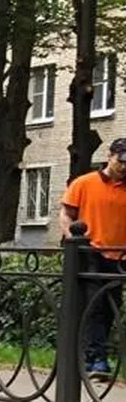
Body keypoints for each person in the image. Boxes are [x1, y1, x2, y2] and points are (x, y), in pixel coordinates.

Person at [60, 138, 126, 377]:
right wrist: (73, 241)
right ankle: (97, 359)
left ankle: (92, 356)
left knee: (111, 307)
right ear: (110, 156)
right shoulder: (84, 183)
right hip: (91, 253)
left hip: (119, 257)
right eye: (122, 161)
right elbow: (67, 214)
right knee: (94, 306)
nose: (124, 167)